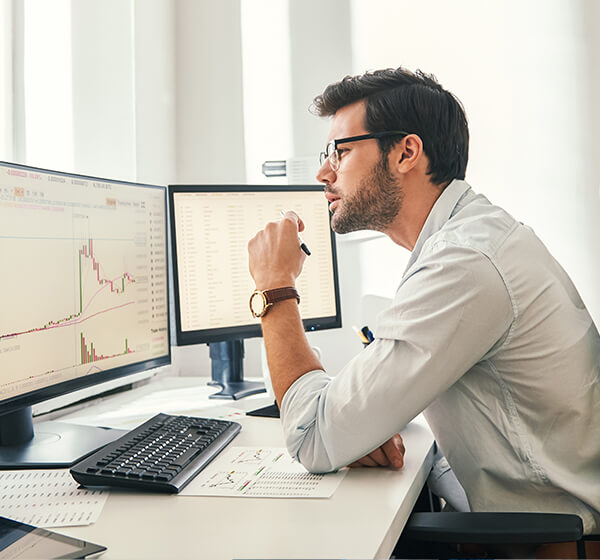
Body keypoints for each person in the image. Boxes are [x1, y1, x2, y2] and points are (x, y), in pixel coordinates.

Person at [247, 67, 600, 539]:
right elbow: (339, 422)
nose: (323, 171)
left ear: (406, 152)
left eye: (341, 151)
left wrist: (275, 286)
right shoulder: (466, 240)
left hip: (548, 547)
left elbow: (312, 437)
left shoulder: (464, 263)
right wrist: (361, 426)